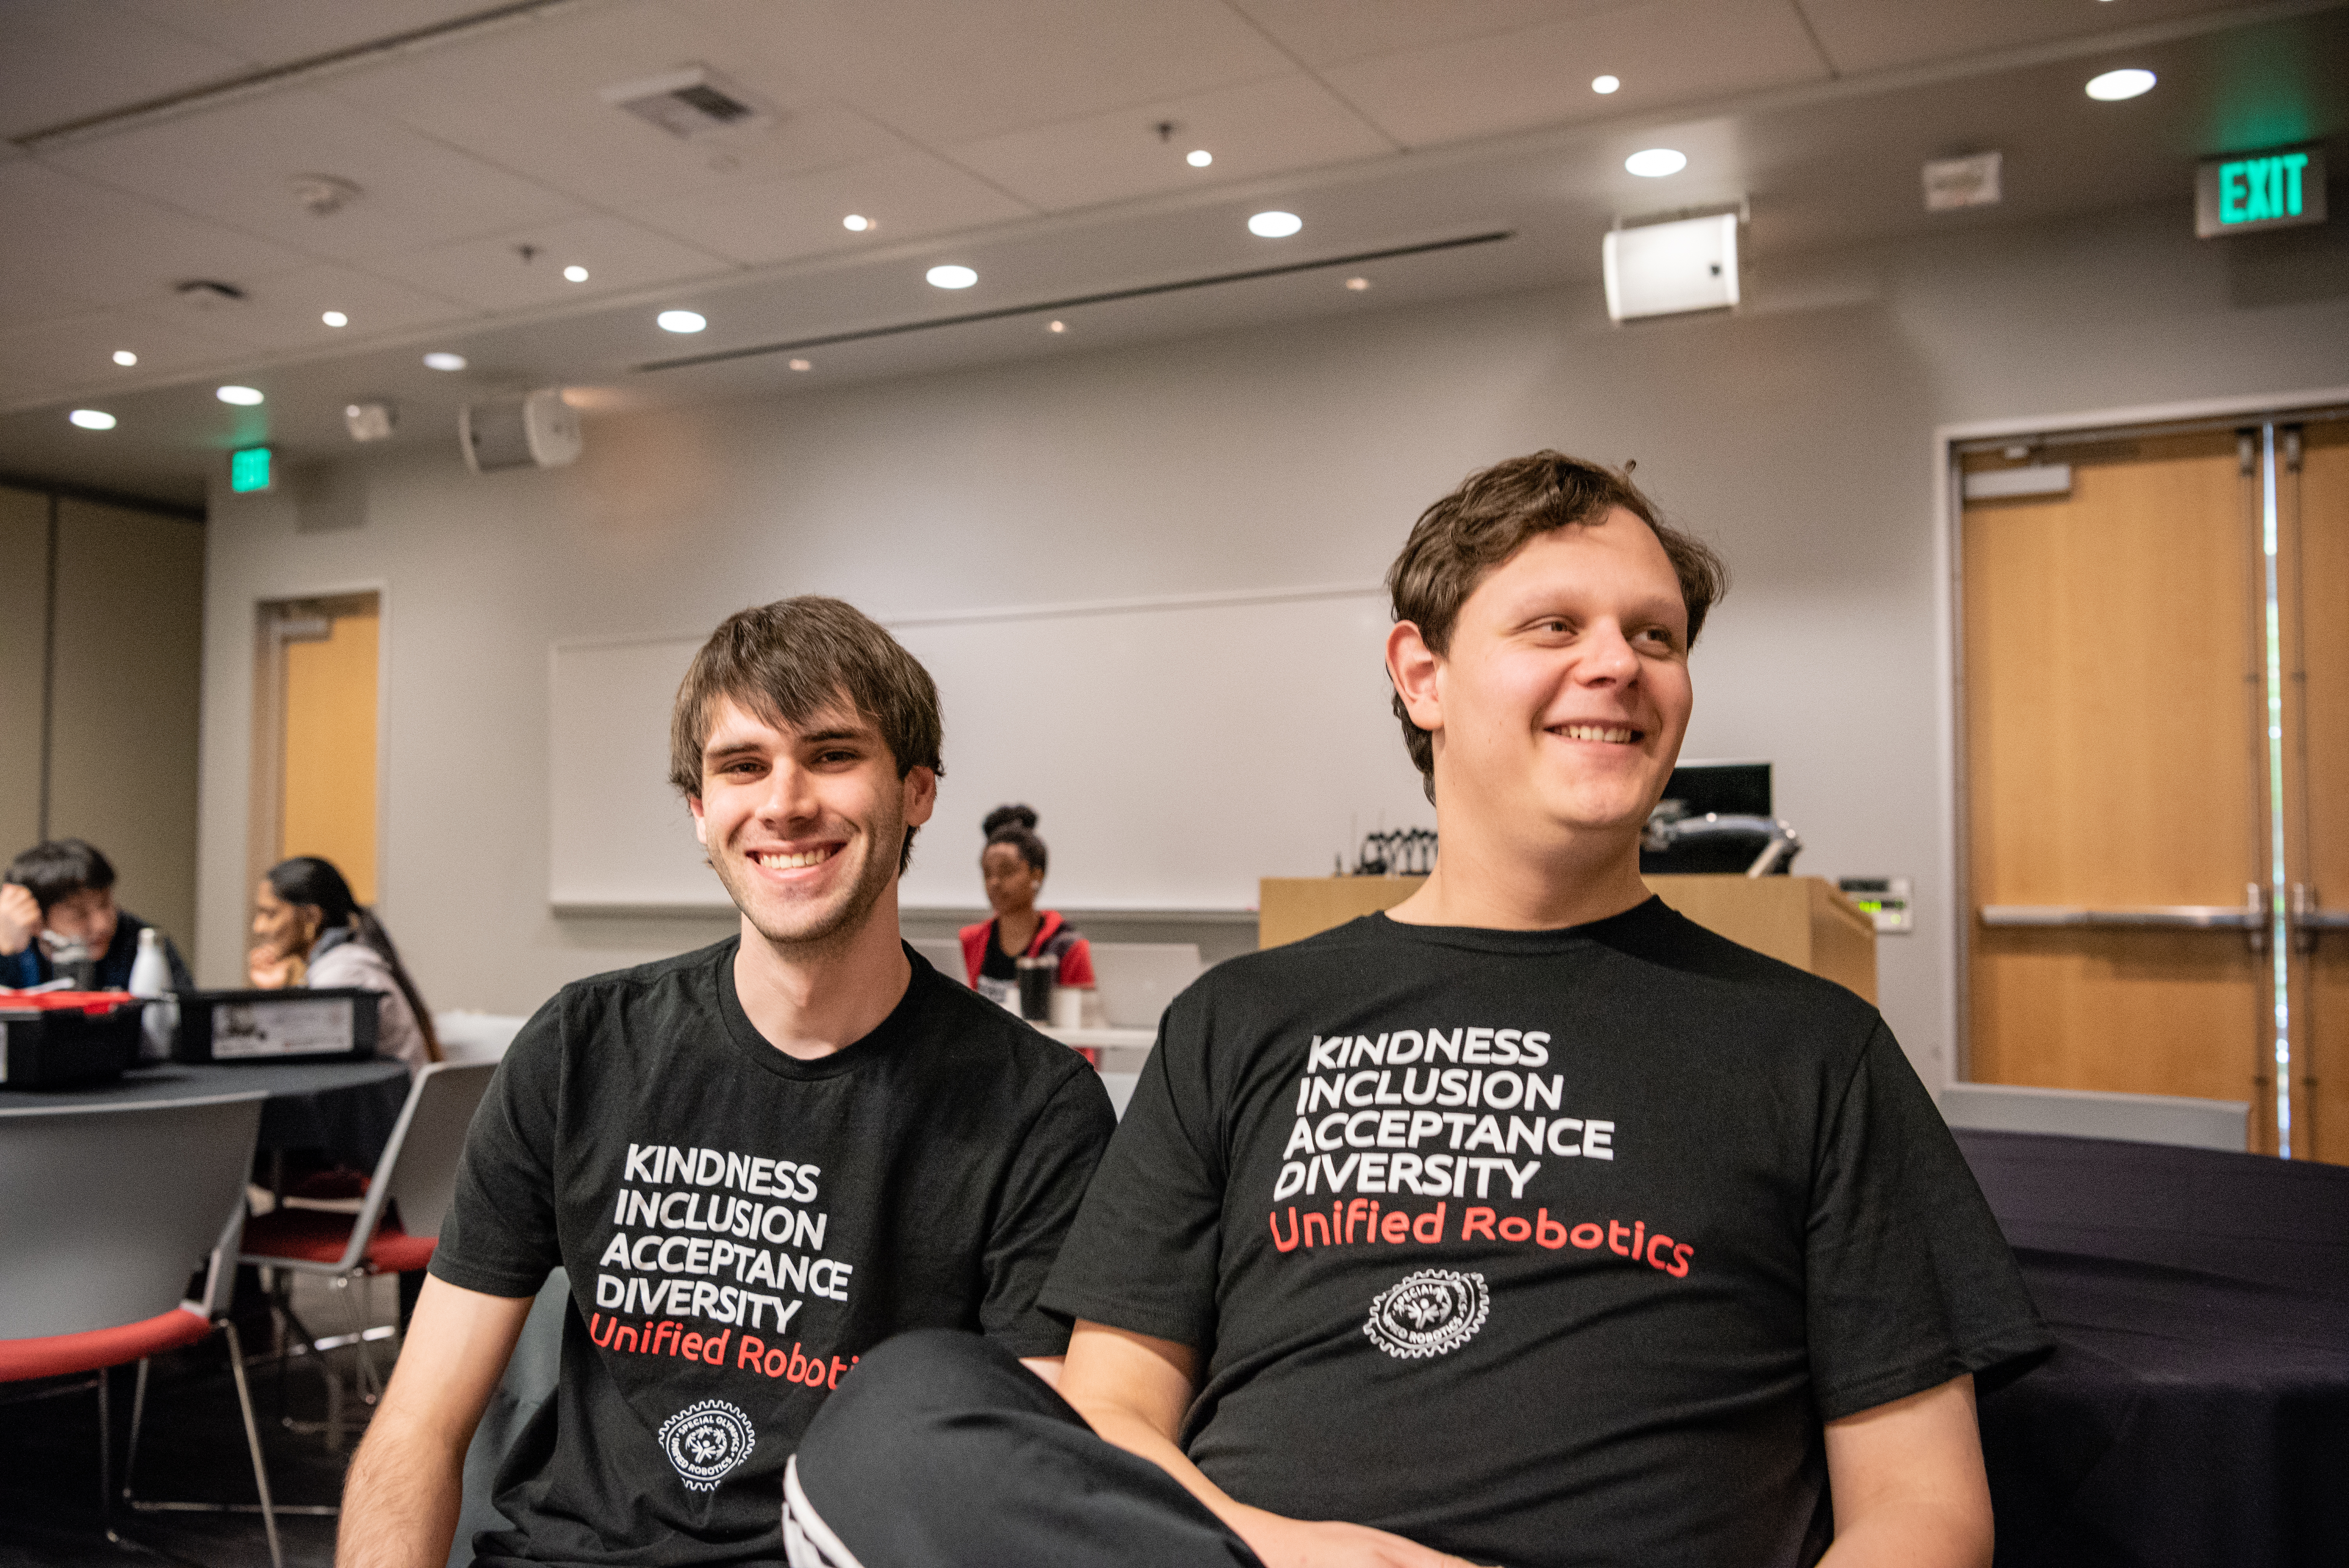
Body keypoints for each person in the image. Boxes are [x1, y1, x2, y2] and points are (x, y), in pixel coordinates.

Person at [782, 453, 2051, 1568]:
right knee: (908, 1404)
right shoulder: (1240, 1018)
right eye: (1553, 624)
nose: (1614, 661)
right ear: (1420, 672)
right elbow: (1111, 1421)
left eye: (1654, 637)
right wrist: (1285, 1552)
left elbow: (1923, 1506)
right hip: (1251, 1555)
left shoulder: (1811, 1045)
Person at [337, 597, 1116, 1568]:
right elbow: (416, 1423)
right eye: (743, 765)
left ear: (916, 791)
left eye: (832, 754)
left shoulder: (1034, 1109)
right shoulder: (579, 1047)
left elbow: (1019, 1486)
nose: (784, 801)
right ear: (701, 811)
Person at [248, 855, 442, 1071]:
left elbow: (307, 1073)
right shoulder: (346, 963)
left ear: (312, 916)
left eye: (270, 914)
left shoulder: (343, 975)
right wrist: (280, 992)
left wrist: (275, 998)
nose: (259, 927)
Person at [0, 837, 193, 993]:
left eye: (105, 904)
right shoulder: (12, 946)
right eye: (80, 915)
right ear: (36, 922)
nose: (103, 924)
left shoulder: (143, 943)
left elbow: (185, 1024)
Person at [958, 804, 1096, 1009]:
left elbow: (1084, 1032)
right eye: (988, 873)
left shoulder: (1067, 947)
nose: (994, 883)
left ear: (1036, 875)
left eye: (1007, 871)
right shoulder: (971, 941)